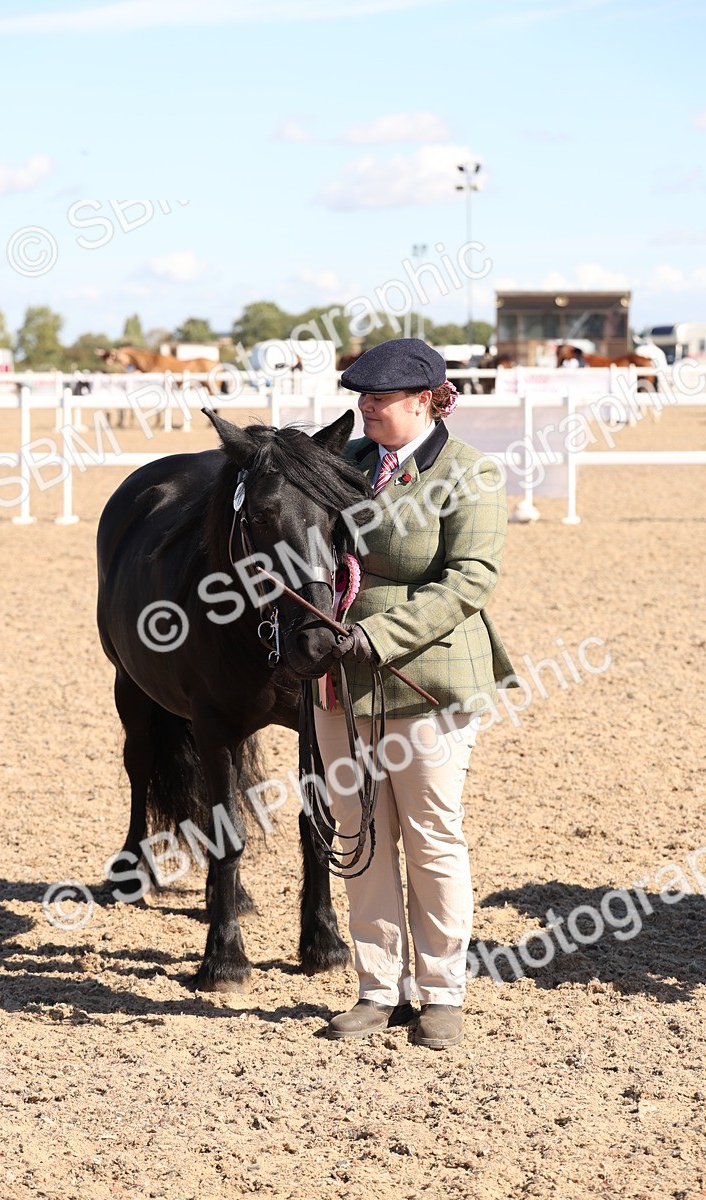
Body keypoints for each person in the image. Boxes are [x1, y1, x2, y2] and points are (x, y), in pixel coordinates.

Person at [315, 338, 516, 1048]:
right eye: (362, 398)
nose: (366, 409)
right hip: (342, 682)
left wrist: (377, 635)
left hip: (426, 678)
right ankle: (378, 988)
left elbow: (471, 579)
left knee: (431, 834)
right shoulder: (343, 465)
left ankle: (441, 992)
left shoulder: (468, 472)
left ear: (426, 401)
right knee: (359, 832)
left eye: (381, 398)